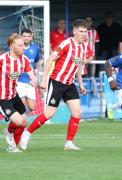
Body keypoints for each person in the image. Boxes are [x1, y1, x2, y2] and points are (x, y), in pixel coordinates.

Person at [19, 19, 88, 151]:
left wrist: (80, 83)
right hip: (57, 82)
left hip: (70, 83)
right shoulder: (66, 44)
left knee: (77, 112)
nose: (83, 34)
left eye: (85, 31)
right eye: (81, 31)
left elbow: (79, 66)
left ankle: (69, 143)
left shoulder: (83, 46)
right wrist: (44, 79)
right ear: (74, 31)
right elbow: (50, 59)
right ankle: (27, 133)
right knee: (50, 113)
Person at [0, 33, 36, 152]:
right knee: (19, 121)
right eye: (20, 45)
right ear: (11, 46)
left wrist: (33, 80)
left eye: (23, 45)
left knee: (24, 122)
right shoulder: (2, 60)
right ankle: (9, 135)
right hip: (2, 98)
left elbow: (31, 74)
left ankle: (12, 144)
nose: (24, 48)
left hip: (14, 95)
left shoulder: (24, 59)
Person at [16, 28, 41, 112]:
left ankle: (16, 117)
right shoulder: (16, 48)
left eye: (28, 36)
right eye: (24, 36)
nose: (26, 38)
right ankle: (21, 123)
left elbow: (37, 62)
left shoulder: (36, 48)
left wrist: (36, 73)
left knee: (32, 107)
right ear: (21, 37)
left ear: (31, 37)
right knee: (22, 107)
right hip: (19, 81)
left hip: (30, 81)